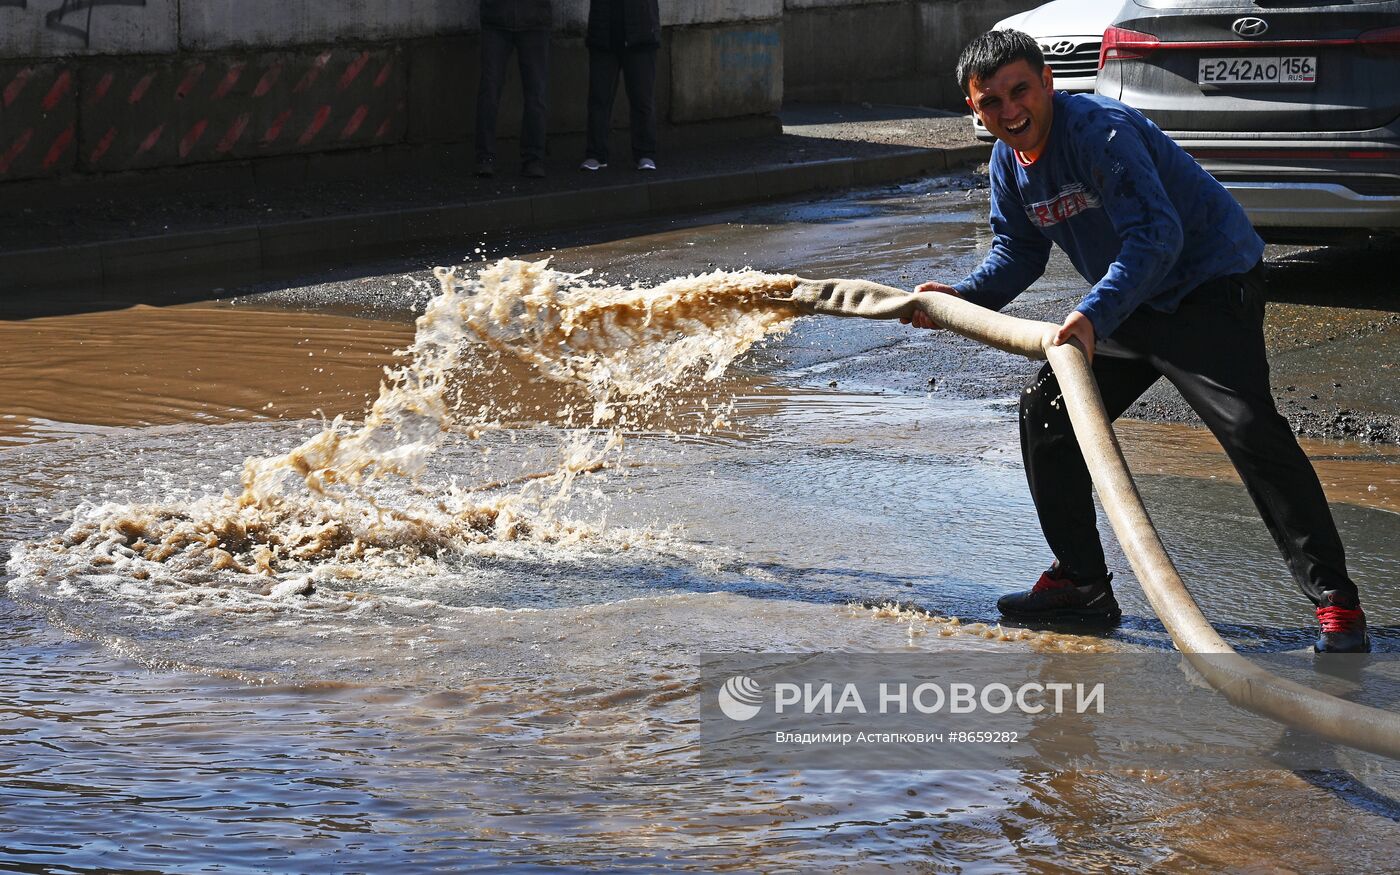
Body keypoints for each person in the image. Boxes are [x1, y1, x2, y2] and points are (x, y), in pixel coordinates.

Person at [909, 29, 1369, 652]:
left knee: (1250, 431)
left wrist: (1093, 313)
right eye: (990, 102)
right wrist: (959, 299)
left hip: (1205, 287)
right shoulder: (1006, 162)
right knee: (1048, 413)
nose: (1009, 111)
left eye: (1020, 90)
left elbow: (1157, 236)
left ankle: (1337, 605)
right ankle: (1082, 582)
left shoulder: (1100, 131)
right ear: (974, 109)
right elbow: (1018, 253)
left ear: (1048, 82)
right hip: (1127, 302)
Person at [475, 0, 552, 179]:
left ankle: (533, 158)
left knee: (535, 94)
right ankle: (485, 157)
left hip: (532, 21)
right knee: (490, 90)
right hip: (501, 19)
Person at [580, 0, 660, 172]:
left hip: (641, 33)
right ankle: (595, 153)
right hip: (604, 34)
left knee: (642, 99)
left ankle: (645, 153)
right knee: (599, 98)